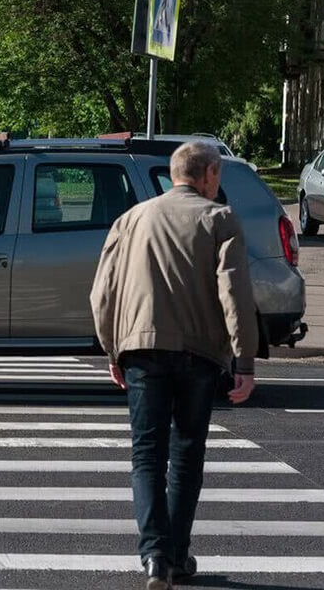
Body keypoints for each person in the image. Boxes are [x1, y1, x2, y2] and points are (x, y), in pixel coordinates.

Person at [89, 141, 258, 590]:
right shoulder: (220, 220)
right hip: (201, 354)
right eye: (216, 178)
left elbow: (101, 293)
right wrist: (244, 360)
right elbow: (236, 295)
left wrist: (112, 349)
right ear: (208, 175)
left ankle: (154, 558)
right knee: (186, 456)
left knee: (146, 455)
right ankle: (178, 555)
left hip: (141, 350)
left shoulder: (131, 219)